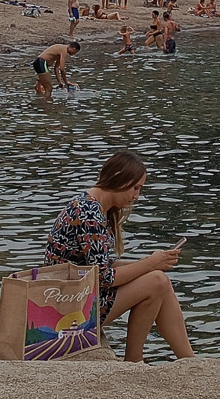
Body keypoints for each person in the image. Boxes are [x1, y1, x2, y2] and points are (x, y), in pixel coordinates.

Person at [45, 150, 194, 362]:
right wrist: (149, 263)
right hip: (69, 305)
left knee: (159, 277)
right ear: (118, 179)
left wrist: (151, 265)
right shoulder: (90, 213)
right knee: (156, 281)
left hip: (76, 295)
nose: (136, 196)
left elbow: (97, 266)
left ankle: (189, 359)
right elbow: (103, 278)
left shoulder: (92, 205)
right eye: (136, 188)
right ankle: (134, 360)